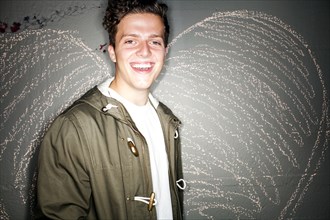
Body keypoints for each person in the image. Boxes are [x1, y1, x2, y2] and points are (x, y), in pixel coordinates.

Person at [36, 0, 185, 219]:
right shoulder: (74, 127)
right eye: (131, 41)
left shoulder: (167, 120)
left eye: (154, 42)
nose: (144, 52)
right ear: (113, 52)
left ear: (165, 51)